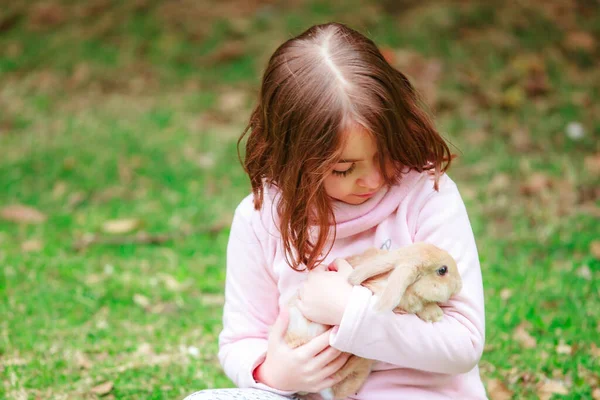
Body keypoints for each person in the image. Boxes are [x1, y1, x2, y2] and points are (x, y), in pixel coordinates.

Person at [185, 22, 487, 400]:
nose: (373, 180)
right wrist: (273, 372)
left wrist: (351, 312)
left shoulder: (427, 195)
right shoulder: (261, 217)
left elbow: (464, 343)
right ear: (295, 159)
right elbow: (241, 339)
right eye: (344, 169)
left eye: (385, 153)